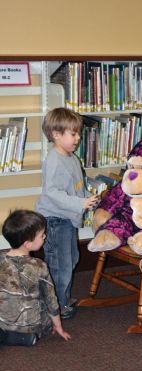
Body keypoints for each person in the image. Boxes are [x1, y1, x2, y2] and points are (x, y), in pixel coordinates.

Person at [36, 107, 99, 319]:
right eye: (73, 134)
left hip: (67, 218)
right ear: (56, 134)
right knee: (60, 264)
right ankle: (57, 305)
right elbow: (52, 193)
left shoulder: (71, 157)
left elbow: (76, 186)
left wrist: (88, 197)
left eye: (78, 133)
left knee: (71, 260)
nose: (78, 138)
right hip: (54, 220)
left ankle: (60, 298)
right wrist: (81, 202)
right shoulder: (54, 160)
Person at [0, 210, 70, 346]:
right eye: (42, 235)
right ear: (27, 244)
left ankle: (6, 333)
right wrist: (59, 327)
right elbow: (51, 301)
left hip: (3, 320)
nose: (45, 236)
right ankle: (26, 337)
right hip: (30, 325)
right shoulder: (39, 266)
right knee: (43, 305)